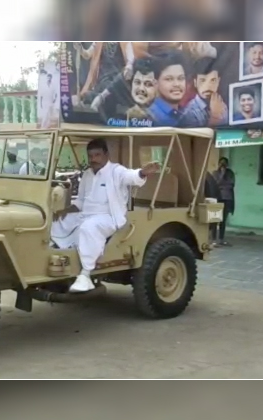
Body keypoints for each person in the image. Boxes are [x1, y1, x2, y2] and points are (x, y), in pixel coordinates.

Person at [50, 138, 159, 293]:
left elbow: (131, 176)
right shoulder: (87, 175)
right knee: (55, 221)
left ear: (106, 155)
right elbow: (80, 201)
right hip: (85, 214)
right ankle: (59, 252)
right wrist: (65, 211)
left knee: (88, 228)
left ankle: (85, 275)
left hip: (109, 218)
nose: (93, 159)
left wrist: (142, 172)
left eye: (97, 155)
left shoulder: (116, 171)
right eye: (91, 156)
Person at [180, 56, 228, 127]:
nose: (208, 86)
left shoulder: (222, 106)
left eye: (213, 80)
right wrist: (215, 117)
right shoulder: (189, 113)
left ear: (218, 81)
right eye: (202, 80)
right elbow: (194, 137)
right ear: (195, 82)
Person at [147, 50, 187, 126]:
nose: (177, 84)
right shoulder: (149, 118)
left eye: (181, 78)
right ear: (155, 83)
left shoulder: (186, 114)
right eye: (169, 79)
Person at [209, 157, 235, 246]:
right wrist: (222, 175)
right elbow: (216, 184)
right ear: (218, 164)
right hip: (217, 198)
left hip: (227, 198)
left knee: (223, 220)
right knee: (214, 219)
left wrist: (223, 184)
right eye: (221, 163)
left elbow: (231, 184)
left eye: (225, 163)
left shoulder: (230, 173)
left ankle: (221, 238)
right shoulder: (215, 173)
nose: (223, 165)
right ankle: (213, 239)